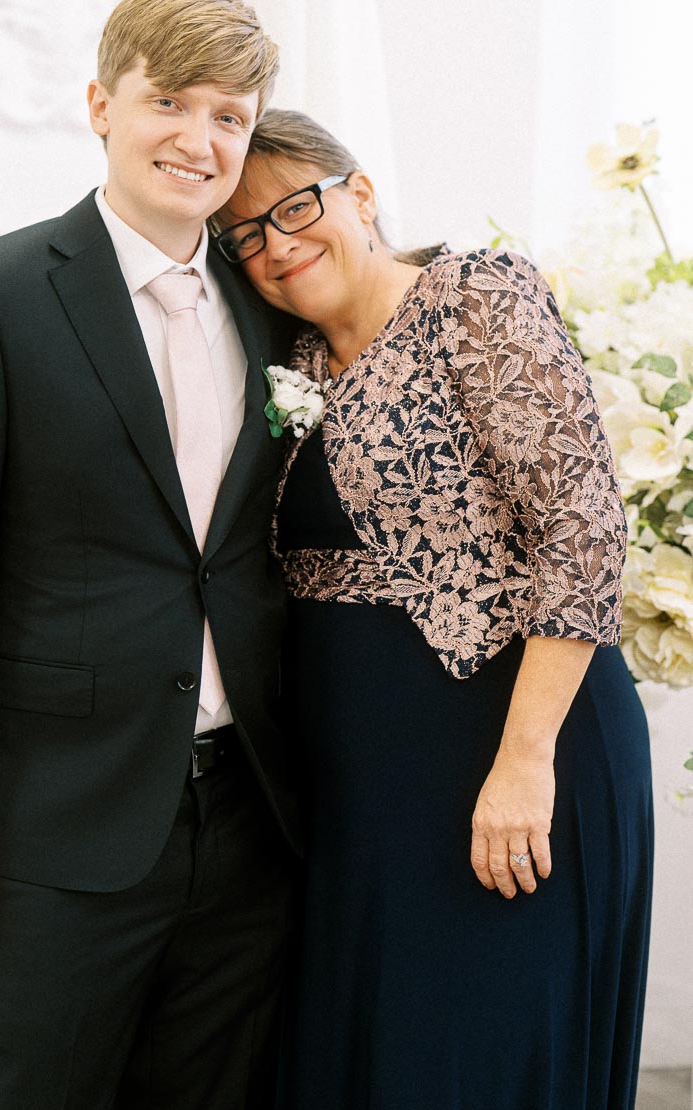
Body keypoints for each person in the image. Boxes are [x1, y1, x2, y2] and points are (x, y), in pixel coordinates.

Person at [0, 0, 303, 1110]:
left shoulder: (273, 312)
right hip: (56, 828)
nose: (200, 141)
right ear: (102, 104)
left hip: (249, 817)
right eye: (172, 102)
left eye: (230, 118)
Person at [213, 109, 653, 1109]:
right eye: (246, 235)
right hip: (365, 784)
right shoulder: (291, 358)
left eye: (295, 207)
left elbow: (582, 531)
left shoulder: (472, 300)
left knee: (476, 1058)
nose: (277, 245)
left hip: (509, 753)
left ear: (360, 195)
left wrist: (522, 764)